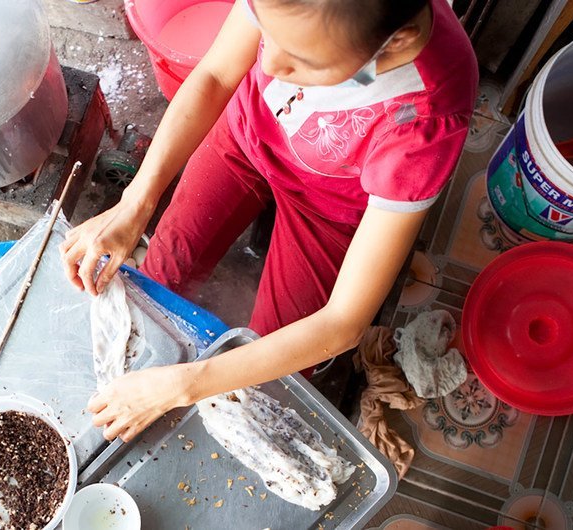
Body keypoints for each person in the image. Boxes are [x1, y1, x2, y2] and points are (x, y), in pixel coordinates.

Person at [61, 0, 478, 442]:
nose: (271, 66)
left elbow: (342, 323)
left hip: (326, 210)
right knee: (160, 280)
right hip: (243, 137)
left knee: (268, 381)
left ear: (396, 43)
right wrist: (134, 204)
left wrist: (185, 385)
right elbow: (218, 75)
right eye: (265, 31)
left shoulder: (427, 119)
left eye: (302, 60)